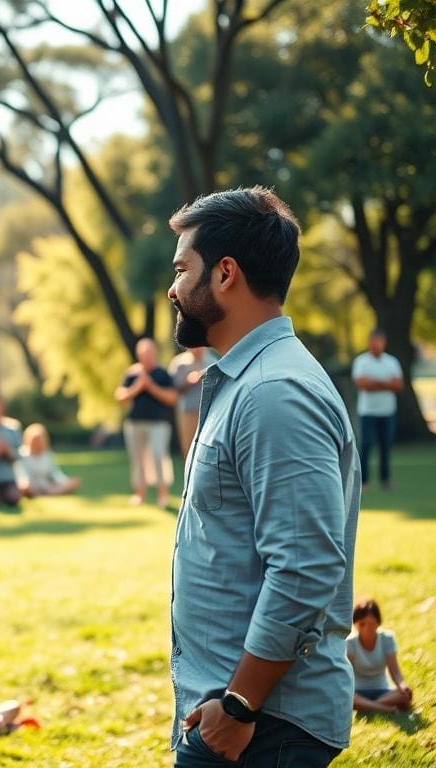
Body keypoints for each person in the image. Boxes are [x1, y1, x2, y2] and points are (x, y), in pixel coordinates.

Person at [166, 188, 360, 767]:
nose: (174, 289)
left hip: (263, 725)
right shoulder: (245, 382)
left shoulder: (274, 393)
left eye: (182, 269)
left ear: (225, 273)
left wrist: (241, 703)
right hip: (238, 715)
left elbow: (305, 565)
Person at [115, 338, 177, 508]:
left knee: (158, 456)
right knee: (137, 459)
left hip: (158, 424)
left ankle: (163, 495)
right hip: (135, 424)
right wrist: (137, 386)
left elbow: (172, 398)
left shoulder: (162, 374)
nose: (146, 357)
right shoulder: (132, 374)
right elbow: (120, 397)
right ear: (138, 355)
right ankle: (139, 494)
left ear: (155, 354)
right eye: (143, 354)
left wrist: (150, 386)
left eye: (149, 353)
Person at [352, 330, 403, 490]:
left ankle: (385, 480)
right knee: (366, 445)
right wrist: (386, 384)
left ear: (384, 343)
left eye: (379, 342)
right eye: (374, 342)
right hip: (368, 412)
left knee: (386, 446)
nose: (377, 346)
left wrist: (375, 383)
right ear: (369, 343)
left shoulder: (392, 362)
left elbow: (398, 385)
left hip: (387, 412)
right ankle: (364, 481)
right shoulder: (361, 361)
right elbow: (362, 384)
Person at [347, 598, 414, 713]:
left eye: (371, 623)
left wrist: (403, 686)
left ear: (378, 622)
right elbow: (347, 675)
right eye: (362, 624)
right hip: (358, 691)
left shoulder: (387, 638)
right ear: (355, 624)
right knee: (346, 697)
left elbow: (395, 672)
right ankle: (387, 709)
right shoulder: (350, 643)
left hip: (383, 690)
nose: (367, 628)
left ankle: (369, 707)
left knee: (405, 695)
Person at [168, 346, 218, 462]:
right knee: (188, 448)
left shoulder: (212, 361)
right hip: (187, 412)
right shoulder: (180, 363)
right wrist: (188, 381)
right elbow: (173, 388)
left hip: (210, 412)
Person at [17, 423, 81, 497]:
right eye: (36, 441)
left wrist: (66, 482)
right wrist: (26, 485)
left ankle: (47, 493)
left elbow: (55, 473)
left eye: (40, 441)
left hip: (46, 486)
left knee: (74, 482)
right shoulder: (22, 455)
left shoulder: (47, 455)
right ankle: (48, 493)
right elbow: (21, 475)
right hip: (30, 485)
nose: (38, 444)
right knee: (25, 488)